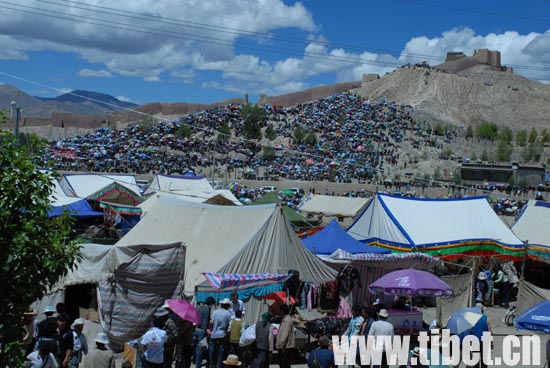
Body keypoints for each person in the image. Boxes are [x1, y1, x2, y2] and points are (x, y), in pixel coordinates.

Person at [209, 298, 232, 368]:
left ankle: (211, 364)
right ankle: (218, 364)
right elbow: (229, 325)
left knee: (212, 349)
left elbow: (211, 322)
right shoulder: (228, 314)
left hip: (214, 333)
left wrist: (211, 329)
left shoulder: (215, 312)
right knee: (221, 349)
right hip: (222, 334)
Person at [196, 297, 215, 368]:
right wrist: (206, 332)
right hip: (202, 331)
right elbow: (205, 322)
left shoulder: (200, 308)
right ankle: (198, 364)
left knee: (198, 347)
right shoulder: (207, 310)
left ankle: (197, 362)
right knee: (200, 348)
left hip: (197, 329)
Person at [275, 304, 295, 368]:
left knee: (284, 364)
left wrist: (282, 345)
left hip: (285, 347)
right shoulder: (287, 319)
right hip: (285, 347)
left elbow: (284, 335)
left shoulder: (286, 321)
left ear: (282, 311)